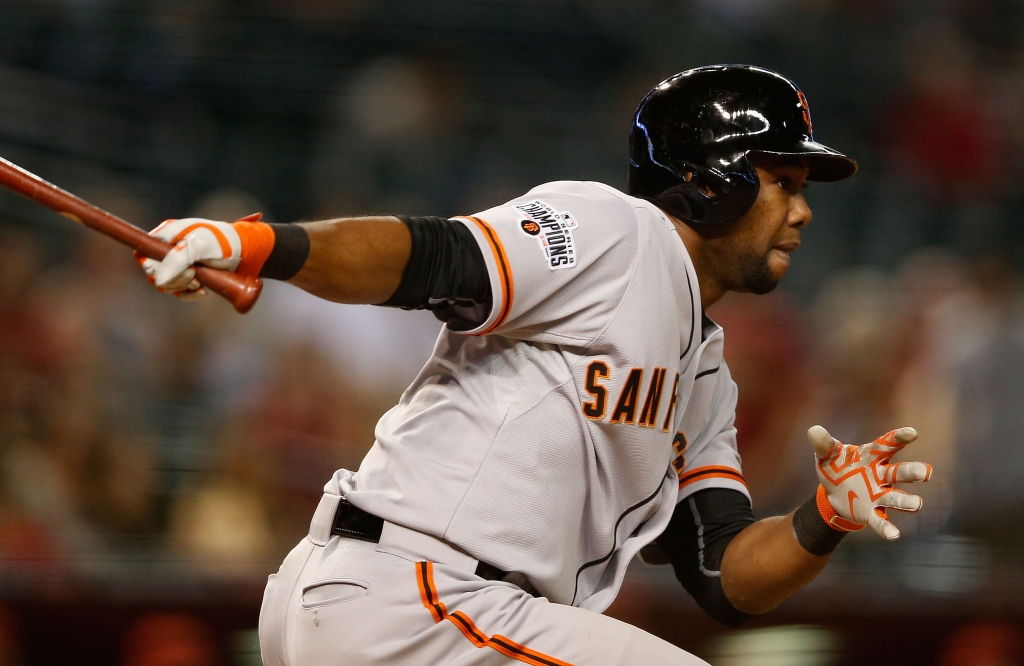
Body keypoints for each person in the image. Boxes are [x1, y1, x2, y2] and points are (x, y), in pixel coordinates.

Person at [138, 65, 933, 665]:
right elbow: (436, 256)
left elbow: (720, 571)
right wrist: (259, 244)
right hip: (414, 596)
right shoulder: (615, 231)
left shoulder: (705, 368)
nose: (802, 209)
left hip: (419, 610)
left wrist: (823, 519)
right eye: (782, 180)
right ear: (708, 180)